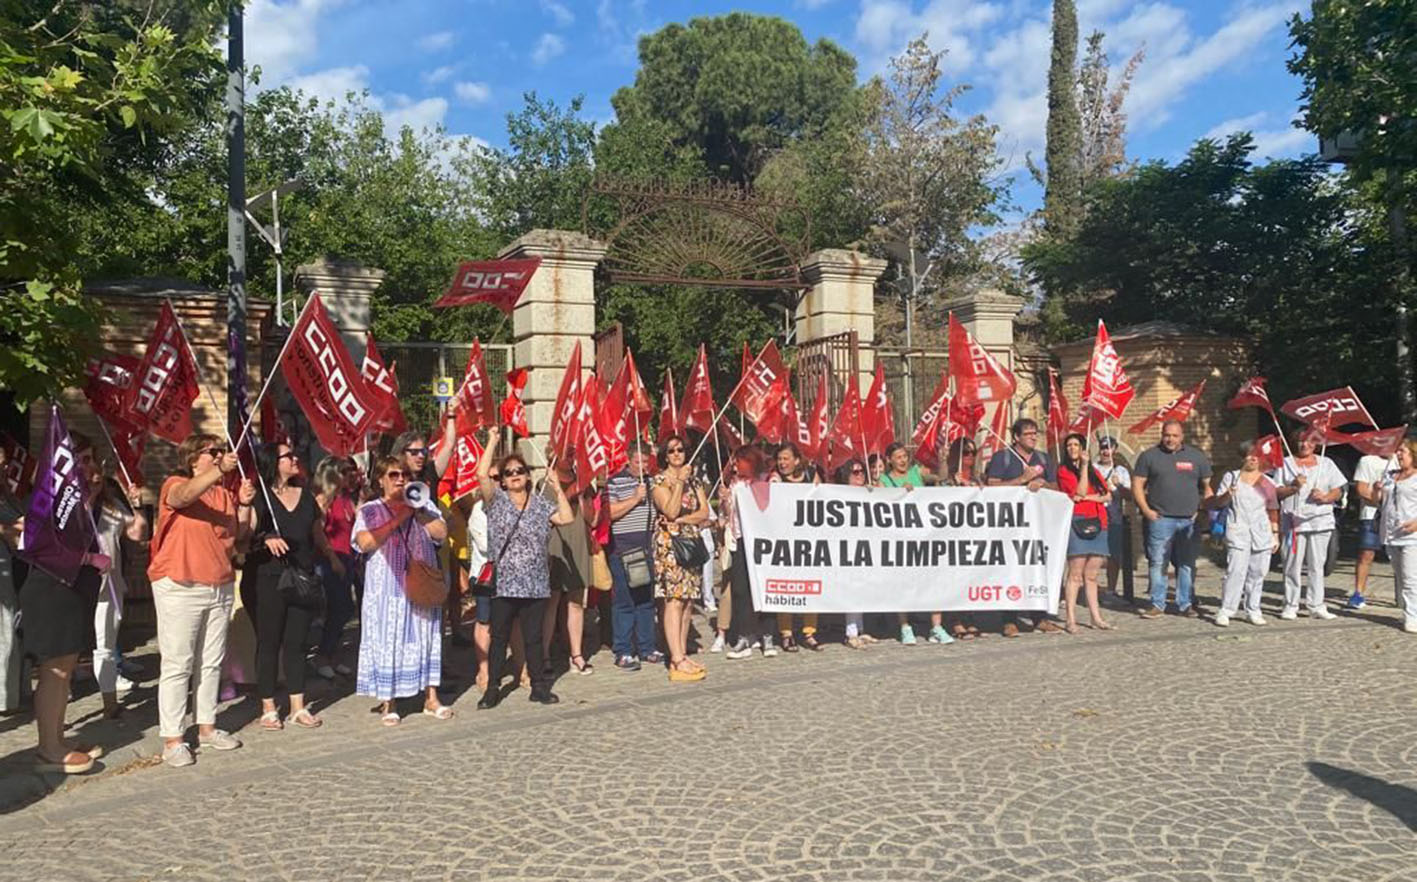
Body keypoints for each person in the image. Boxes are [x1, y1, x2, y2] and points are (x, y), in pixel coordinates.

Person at [148, 433, 256, 767]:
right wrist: (217, 471)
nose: (222, 456)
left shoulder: (222, 494)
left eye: (222, 452)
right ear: (195, 458)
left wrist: (245, 504)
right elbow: (182, 498)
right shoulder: (175, 483)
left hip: (219, 584)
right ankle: (173, 738)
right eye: (213, 452)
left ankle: (207, 726)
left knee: (211, 661)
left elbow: (237, 536)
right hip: (180, 583)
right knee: (178, 662)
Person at [474, 432, 575, 709]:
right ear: (503, 480)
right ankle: (492, 688)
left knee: (533, 638)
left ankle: (539, 686)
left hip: (535, 583)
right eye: (509, 473)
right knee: (499, 639)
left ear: (528, 477)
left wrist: (557, 486)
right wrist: (493, 441)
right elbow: (482, 474)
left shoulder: (541, 504)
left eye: (520, 471)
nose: (515, 475)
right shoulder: (497, 501)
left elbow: (566, 518)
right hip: (505, 583)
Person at [244, 443, 337, 731]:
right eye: (288, 456)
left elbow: (316, 532)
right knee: (269, 642)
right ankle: (269, 706)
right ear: (274, 461)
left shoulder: (306, 496)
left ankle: (298, 706)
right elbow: (244, 535)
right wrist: (262, 534)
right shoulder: (260, 495)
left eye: (295, 454)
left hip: (302, 578)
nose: (295, 459)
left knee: (297, 643)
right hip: (267, 579)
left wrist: (332, 557)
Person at [352, 454, 450, 726]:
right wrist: (397, 518)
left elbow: (441, 533)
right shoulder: (370, 509)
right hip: (386, 590)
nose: (400, 480)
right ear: (381, 480)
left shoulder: (423, 502)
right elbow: (365, 542)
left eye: (404, 476)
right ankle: (389, 702)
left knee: (425, 637)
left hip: (419, 583)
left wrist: (417, 511)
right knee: (388, 640)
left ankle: (431, 698)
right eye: (393, 476)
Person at [985, 418, 1060, 637]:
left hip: (1037, 525)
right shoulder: (1003, 457)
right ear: (1016, 437)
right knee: (1011, 569)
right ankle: (1009, 619)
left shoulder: (1044, 459)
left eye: (1035, 433)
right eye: (1028, 433)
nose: (1033, 437)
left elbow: (1055, 487)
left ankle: (1040, 617)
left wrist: (1042, 483)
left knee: (1036, 567)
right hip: (1010, 524)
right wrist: (1022, 479)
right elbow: (992, 486)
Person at [1131, 419, 1213, 620]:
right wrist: (1146, 510)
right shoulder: (1149, 456)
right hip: (1160, 519)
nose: (1170, 439)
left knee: (1186, 564)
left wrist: (1203, 511)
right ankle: (1157, 604)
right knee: (1158, 562)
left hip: (1189, 521)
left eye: (1174, 435)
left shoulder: (1196, 456)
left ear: (1181, 436)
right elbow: (1137, 484)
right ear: (1162, 434)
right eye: (1167, 435)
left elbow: (1208, 486)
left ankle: (1185, 604)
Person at [1207, 441, 1288, 627]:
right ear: (1242, 457)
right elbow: (1218, 503)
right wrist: (1228, 494)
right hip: (1238, 529)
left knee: (1258, 572)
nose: (1252, 459)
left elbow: (1272, 509)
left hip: (1262, 531)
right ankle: (1227, 609)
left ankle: (1253, 609)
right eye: (1248, 455)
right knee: (1235, 570)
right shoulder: (1232, 477)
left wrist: (1275, 534)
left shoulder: (1267, 481)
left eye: (1255, 455)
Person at [878, 441, 950, 645]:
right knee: (903, 583)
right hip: (901, 539)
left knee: (933, 580)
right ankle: (905, 626)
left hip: (925, 536)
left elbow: (941, 477)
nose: (902, 460)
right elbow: (879, 505)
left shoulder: (918, 472)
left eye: (904, 456)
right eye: (898, 457)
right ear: (890, 460)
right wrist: (898, 493)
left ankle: (936, 626)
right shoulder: (884, 480)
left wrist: (942, 460)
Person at [652, 435, 711, 681]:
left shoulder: (695, 481)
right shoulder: (659, 481)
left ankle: (682, 652)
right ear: (665, 456)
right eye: (672, 451)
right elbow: (670, 510)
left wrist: (684, 520)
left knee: (688, 601)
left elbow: (705, 512)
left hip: (691, 540)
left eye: (681, 450)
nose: (677, 454)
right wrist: (678, 484)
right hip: (669, 544)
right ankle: (675, 658)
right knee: (673, 599)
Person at [91, 463, 147, 719]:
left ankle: (109, 703)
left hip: (109, 584)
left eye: (98, 476)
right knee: (67, 651)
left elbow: (137, 532)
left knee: (106, 644)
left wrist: (136, 504)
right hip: (74, 586)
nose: (95, 479)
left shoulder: (111, 506)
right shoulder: (67, 507)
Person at [1274, 428, 1345, 620]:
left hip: (1320, 520)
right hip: (1294, 522)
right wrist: (1294, 487)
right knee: (1292, 564)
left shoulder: (1326, 463)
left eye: (1309, 441)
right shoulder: (1285, 464)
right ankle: (1290, 604)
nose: (1304, 445)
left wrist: (1326, 497)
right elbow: (1277, 492)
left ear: (1316, 444)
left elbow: (1338, 489)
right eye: (1300, 441)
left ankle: (1316, 604)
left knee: (1317, 565)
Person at [605, 446, 659, 671]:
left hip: (647, 548)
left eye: (646, 462)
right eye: (638, 462)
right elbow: (609, 512)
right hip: (624, 550)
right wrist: (635, 499)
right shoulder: (615, 482)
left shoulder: (652, 482)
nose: (642, 467)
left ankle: (647, 647)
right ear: (628, 461)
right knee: (625, 602)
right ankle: (623, 650)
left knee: (646, 601)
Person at [722, 445, 777, 659]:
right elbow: (731, 515)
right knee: (740, 591)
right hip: (741, 541)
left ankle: (768, 636)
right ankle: (745, 635)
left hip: (764, 543)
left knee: (766, 589)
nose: (735, 465)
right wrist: (726, 499)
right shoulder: (735, 485)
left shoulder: (769, 480)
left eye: (739, 461)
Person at [1056, 433, 1114, 634]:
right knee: (1075, 574)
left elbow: (1107, 495)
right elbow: (1078, 493)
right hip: (1078, 522)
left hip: (1099, 522)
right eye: (1069, 445)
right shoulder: (1064, 471)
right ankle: (1070, 618)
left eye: (1076, 444)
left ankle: (1095, 617)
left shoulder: (1094, 471)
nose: (1072, 448)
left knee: (1092, 575)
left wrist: (1090, 497)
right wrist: (1082, 468)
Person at [544, 464, 596, 676]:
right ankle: (545, 655)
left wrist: (583, 494)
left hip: (578, 543)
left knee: (576, 602)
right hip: (556, 544)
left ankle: (577, 654)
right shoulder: (544, 484)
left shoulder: (584, 484)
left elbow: (591, 518)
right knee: (552, 602)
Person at [771, 442, 822, 651]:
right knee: (786, 586)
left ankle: (809, 632)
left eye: (786, 458)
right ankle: (786, 633)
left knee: (811, 586)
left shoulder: (811, 475)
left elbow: (822, 498)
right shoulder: (776, 478)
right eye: (780, 459)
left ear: (797, 460)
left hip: (809, 541)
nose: (782, 463)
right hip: (785, 541)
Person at [313, 456, 359, 679]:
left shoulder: (346, 498)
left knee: (346, 610)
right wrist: (332, 558)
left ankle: (334, 655)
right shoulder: (324, 499)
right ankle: (323, 655)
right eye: (344, 471)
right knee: (338, 607)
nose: (349, 474)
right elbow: (319, 532)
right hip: (330, 560)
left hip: (348, 558)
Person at [940, 438, 983, 641]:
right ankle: (955, 620)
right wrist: (955, 487)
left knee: (970, 577)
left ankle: (970, 616)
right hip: (952, 537)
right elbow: (937, 499)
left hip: (972, 536)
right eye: (966, 452)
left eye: (973, 453)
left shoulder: (977, 479)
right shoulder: (948, 479)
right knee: (954, 578)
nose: (970, 457)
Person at [1373, 439, 1417, 633]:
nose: (1399, 455)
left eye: (1403, 451)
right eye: (1398, 451)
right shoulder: (1390, 476)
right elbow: (1379, 502)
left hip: (1411, 535)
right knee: (1401, 576)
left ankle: (1412, 617)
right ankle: (1410, 611)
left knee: (1410, 578)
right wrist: (1376, 491)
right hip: (1390, 533)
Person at [834, 457, 878, 649]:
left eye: (862, 471)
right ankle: (850, 632)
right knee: (851, 588)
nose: (860, 475)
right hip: (849, 547)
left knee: (861, 588)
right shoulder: (840, 494)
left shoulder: (868, 491)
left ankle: (859, 628)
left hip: (865, 545)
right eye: (855, 472)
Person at [1349, 450, 1393, 611]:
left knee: (1401, 556)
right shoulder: (1367, 460)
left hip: (1396, 516)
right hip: (1371, 514)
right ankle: (1358, 593)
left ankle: (1404, 594)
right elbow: (1361, 489)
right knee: (1366, 554)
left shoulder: (1404, 460)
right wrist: (1381, 501)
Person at [0, 444, 26, 714]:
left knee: (13, 626)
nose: (5, 467)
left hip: (13, 564)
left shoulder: (7, 495)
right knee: (4, 626)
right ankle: (4, 698)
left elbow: (22, 521)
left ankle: (14, 690)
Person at [467, 464, 495, 691]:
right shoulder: (478, 510)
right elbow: (487, 546)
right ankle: (483, 670)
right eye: (491, 477)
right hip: (485, 575)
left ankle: (521, 668)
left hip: (509, 574)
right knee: (484, 621)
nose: (495, 481)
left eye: (499, 477)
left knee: (512, 622)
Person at [1095, 436, 1131, 598]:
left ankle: (1111, 589)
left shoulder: (1121, 471)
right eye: (1103, 447)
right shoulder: (1092, 468)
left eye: (1109, 448)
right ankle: (1092, 588)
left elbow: (1129, 496)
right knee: (1093, 556)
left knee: (1114, 556)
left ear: (1114, 450)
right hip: (1095, 517)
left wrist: (1119, 485)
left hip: (1114, 518)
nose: (1105, 451)